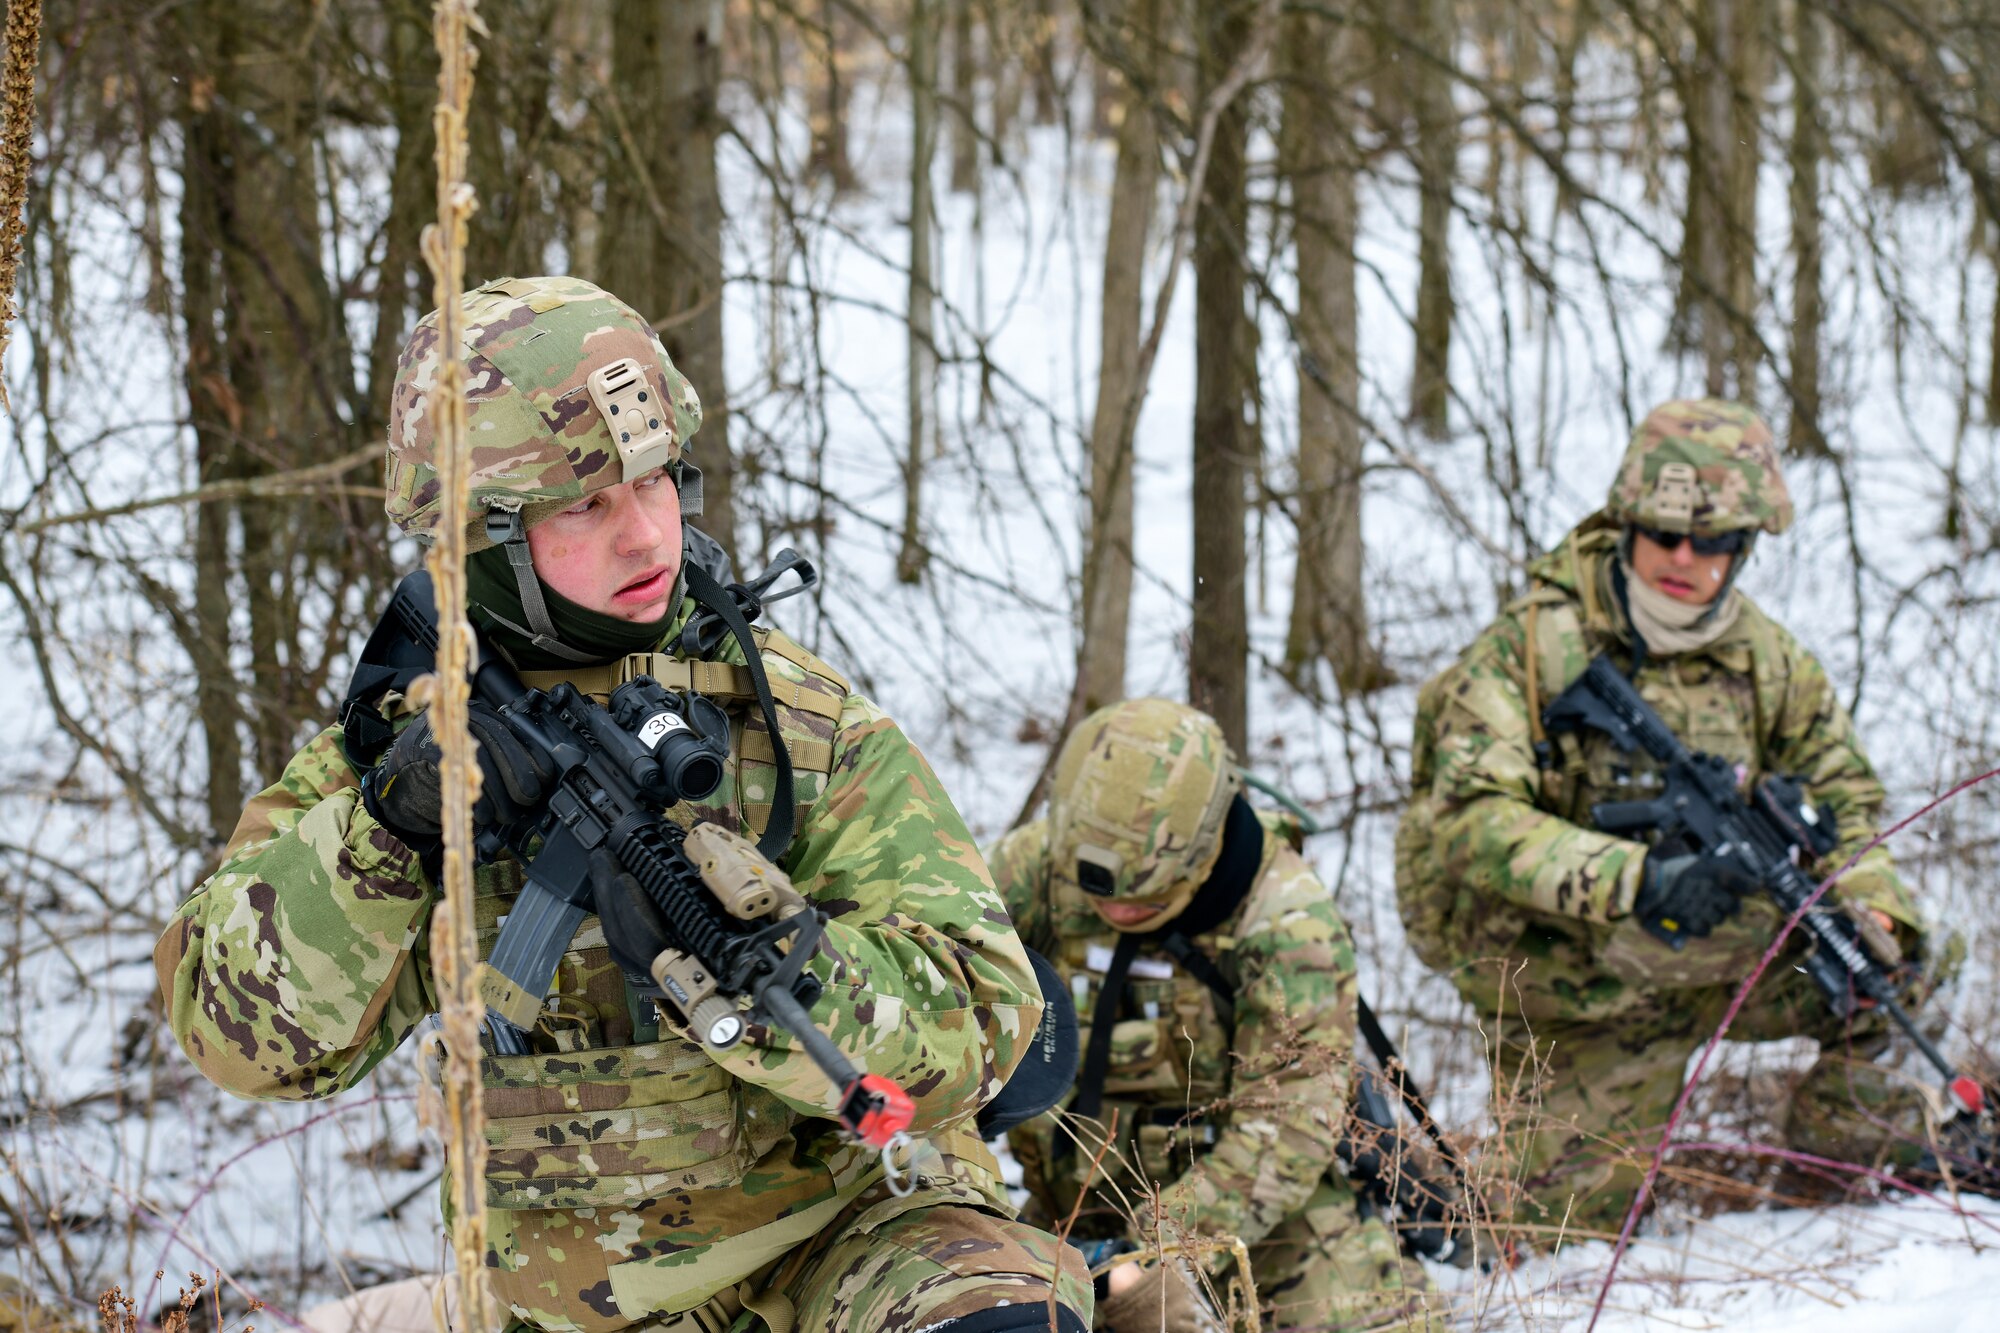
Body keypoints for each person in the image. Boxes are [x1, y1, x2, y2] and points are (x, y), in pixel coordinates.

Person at [154, 275, 1091, 1333]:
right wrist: (395, 828)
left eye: (655, 483)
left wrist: (783, 971)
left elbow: (988, 1019)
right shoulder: (404, 748)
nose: (648, 537)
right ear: (477, 539)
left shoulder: (794, 724)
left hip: (856, 1244)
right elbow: (233, 1036)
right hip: (579, 1306)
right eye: (587, 505)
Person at [1396, 398, 1958, 1232]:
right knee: (1554, 1228)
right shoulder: (1532, 646)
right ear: (1627, 522)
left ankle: (1847, 1123)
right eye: (1663, 533)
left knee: (1904, 961)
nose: (1683, 557)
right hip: (1583, 985)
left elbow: (1847, 793)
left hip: (1727, 956)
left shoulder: (1767, 659)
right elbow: (1472, 822)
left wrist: (1874, 904)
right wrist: (1641, 879)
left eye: (1714, 541)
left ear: (1747, 547)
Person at [987, 698, 1441, 1333]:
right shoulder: (1037, 867)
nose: (1116, 911)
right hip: (1066, 1206)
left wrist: (1159, 1250)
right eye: (1101, 897)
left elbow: (1288, 1119)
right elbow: (945, 991)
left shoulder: (1286, 921)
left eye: (1146, 898)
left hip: (1244, 1209)